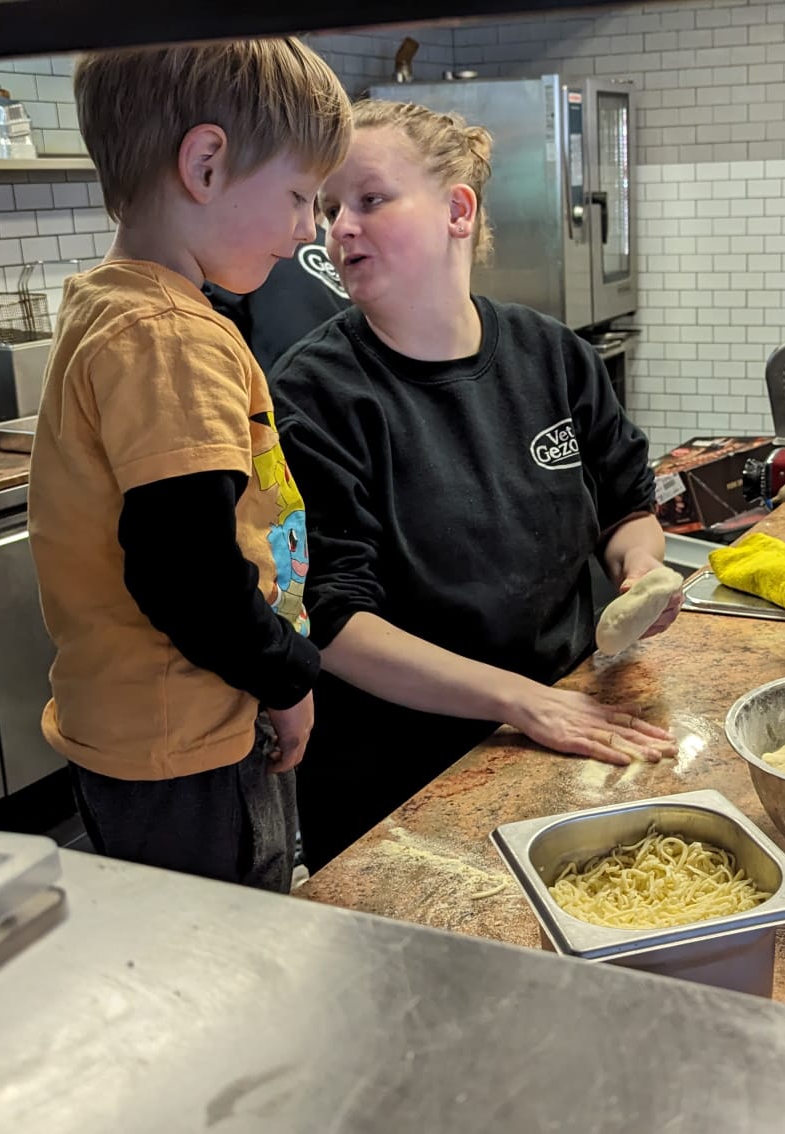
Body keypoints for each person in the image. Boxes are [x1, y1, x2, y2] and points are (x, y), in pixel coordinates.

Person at [272, 100, 681, 868]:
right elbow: (331, 622)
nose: (339, 228)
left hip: (562, 732)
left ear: (457, 211)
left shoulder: (552, 355)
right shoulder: (315, 395)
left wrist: (641, 571)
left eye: (370, 199)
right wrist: (519, 701)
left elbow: (625, 503)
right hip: (397, 785)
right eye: (329, 209)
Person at [26, 40, 352, 890]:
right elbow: (186, 573)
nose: (308, 231)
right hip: (191, 737)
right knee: (230, 937)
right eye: (298, 197)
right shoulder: (170, 336)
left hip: (146, 728)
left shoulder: (111, 306)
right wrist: (287, 677)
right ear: (205, 165)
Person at [203, 222, 350, 373]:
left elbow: (212, 315)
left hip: (259, 380)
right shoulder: (350, 265)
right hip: (319, 382)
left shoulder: (260, 238)